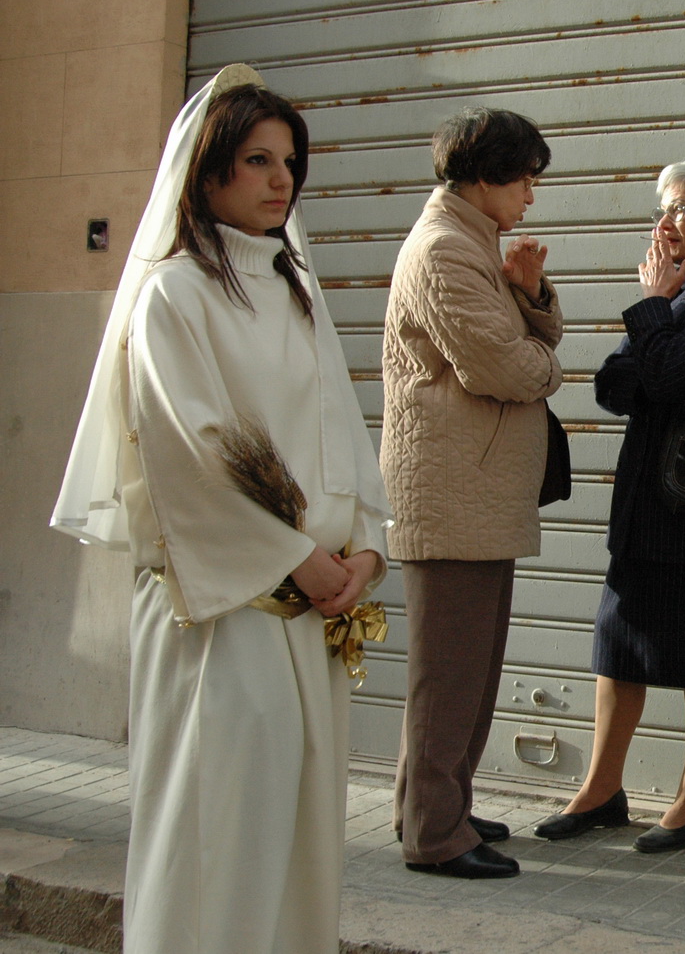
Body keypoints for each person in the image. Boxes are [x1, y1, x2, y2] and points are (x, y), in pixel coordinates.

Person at [50, 66, 391, 954]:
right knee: (215, 842)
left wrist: (364, 549)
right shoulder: (174, 295)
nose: (282, 179)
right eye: (257, 159)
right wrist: (295, 557)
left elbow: (338, 431)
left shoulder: (293, 286)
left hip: (309, 617)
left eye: (290, 160)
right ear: (207, 173)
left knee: (297, 847)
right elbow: (190, 455)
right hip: (223, 621)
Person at [534, 158, 685, 853]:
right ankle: (602, 789)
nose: (664, 224)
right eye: (662, 210)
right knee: (619, 645)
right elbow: (612, 383)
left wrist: (656, 334)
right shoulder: (672, 291)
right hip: (646, 506)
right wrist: (659, 354)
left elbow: (664, 371)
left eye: (679, 208)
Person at [383, 108, 562, 879]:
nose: (530, 196)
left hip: (479, 489)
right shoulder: (445, 251)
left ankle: (443, 803)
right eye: (524, 179)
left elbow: (520, 339)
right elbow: (504, 366)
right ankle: (433, 832)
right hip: (453, 491)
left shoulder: (476, 246)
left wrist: (530, 293)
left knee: (473, 668)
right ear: (484, 176)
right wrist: (549, 363)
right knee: (447, 673)